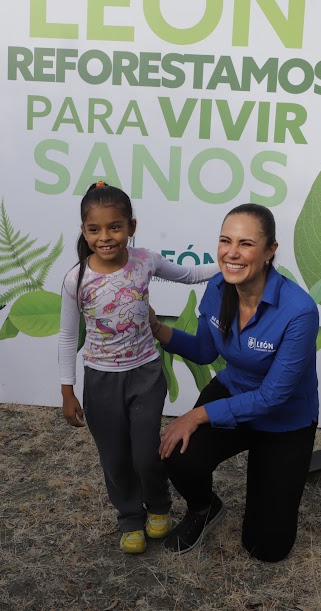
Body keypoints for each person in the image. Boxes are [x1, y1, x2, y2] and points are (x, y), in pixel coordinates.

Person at [149, 203, 319, 562]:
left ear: (270, 251)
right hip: (235, 391)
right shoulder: (218, 288)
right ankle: (203, 508)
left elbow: (273, 397)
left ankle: (270, 469)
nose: (232, 252)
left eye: (246, 243)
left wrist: (196, 415)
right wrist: (158, 329)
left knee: (266, 548)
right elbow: (205, 351)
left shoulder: (299, 310)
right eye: (226, 241)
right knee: (178, 454)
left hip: (285, 420)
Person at [58, 181, 216, 554]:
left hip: (145, 373)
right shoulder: (76, 279)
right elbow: (67, 337)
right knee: (114, 457)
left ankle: (158, 506)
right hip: (100, 380)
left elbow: (189, 275)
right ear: (84, 230)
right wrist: (68, 389)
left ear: (132, 225)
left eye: (115, 226)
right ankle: (130, 518)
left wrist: (225, 267)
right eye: (94, 229)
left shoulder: (145, 260)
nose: (105, 237)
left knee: (145, 452)